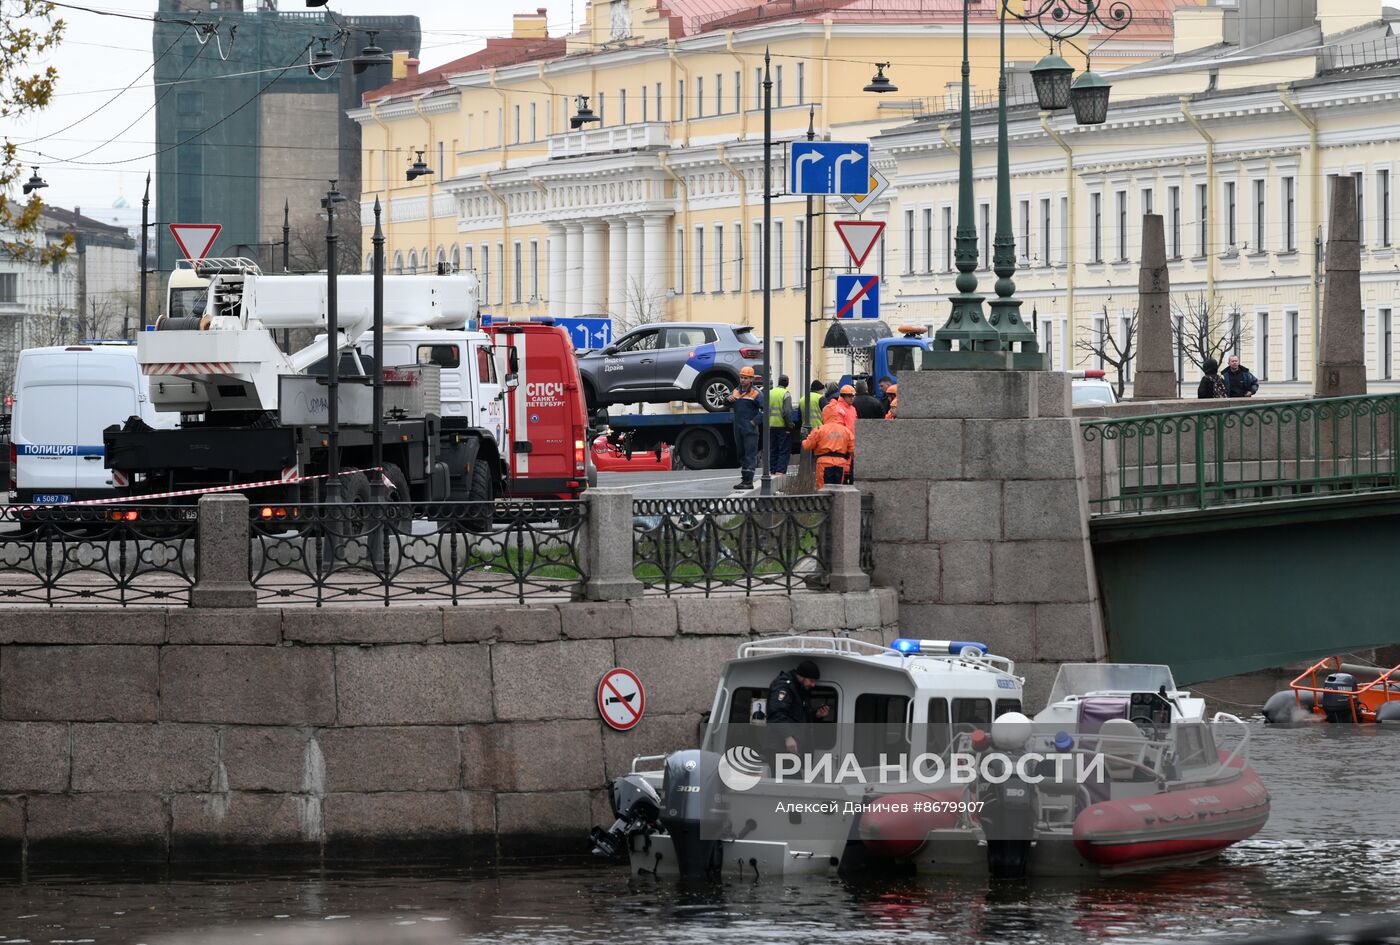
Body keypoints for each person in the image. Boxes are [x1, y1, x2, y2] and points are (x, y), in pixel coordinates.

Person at [767, 658, 830, 757]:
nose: (813, 685)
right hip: (780, 749)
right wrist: (788, 737)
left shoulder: (800, 689)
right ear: (801, 676)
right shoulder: (784, 686)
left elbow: (798, 717)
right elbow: (776, 713)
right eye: (811, 680)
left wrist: (816, 715)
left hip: (792, 750)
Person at [800, 402, 855, 487]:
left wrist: (803, 439)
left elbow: (807, 446)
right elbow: (852, 450)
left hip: (823, 463)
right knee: (840, 490)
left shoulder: (819, 430)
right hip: (841, 463)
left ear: (824, 415)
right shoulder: (846, 431)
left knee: (823, 490)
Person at [727, 366, 763, 490]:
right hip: (738, 427)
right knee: (741, 453)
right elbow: (725, 403)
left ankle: (749, 481)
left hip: (750, 429)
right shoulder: (736, 390)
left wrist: (754, 422)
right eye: (741, 377)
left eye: (746, 378)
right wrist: (727, 398)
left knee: (750, 454)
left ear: (751, 379)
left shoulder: (756, 393)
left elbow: (765, 410)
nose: (742, 380)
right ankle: (744, 479)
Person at [767, 374, 794, 477]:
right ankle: (780, 471)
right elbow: (787, 412)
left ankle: (772, 471)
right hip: (782, 426)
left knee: (773, 449)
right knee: (783, 450)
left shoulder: (770, 393)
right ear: (787, 383)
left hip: (771, 425)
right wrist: (789, 425)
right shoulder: (785, 394)